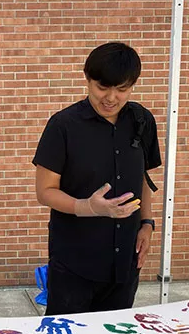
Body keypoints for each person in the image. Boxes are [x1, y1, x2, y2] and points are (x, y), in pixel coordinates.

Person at [33, 42, 161, 315]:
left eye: (122, 89)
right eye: (102, 87)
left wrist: (147, 224)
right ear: (87, 79)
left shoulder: (142, 120)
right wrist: (87, 207)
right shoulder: (63, 125)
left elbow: (143, 178)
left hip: (125, 261)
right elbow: (45, 191)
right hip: (74, 263)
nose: (111, 97)